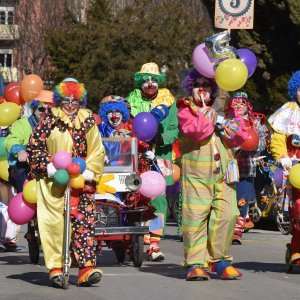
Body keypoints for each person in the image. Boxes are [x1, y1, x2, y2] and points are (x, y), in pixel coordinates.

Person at [27, 80, 105, 287]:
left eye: (76, 101)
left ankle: (85, 268)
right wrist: (48, 166)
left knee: (84, 223)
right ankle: (56, 268)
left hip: (81, 180)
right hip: (55, 181)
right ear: (60, 101)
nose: (71, 105)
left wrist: (90, 170)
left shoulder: (87, 119)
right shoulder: (49, 119)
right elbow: (35, 146)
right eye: (67, 100)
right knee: (54, 224)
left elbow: (97, 148)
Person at [177, 68, 248, 280]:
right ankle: (195, 263)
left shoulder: (226, 110)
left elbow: (240, 137)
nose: (202, 88)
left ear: (213, 88)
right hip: (196, 175)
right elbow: (196, 131)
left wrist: (225, 122)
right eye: (197, 84)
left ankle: (220, 260)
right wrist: (212, 115)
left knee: (228, 215)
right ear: (191, 88)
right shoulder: (185, 108)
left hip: (224, 174)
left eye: (206, 84)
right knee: (195, 218)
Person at [126, 62, 179, 261]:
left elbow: (174, 128)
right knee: (132, 197)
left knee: (157, 199)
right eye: (146, 80)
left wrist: (161, 138)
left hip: (160, 156)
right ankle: (134, 238)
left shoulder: (169, 101)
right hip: (136, 155)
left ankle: (154, 242)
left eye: (154, 80)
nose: (150, 83)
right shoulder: (130, 100)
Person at [268, 70, 300, 267]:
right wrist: (282, 157)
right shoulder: (288, 111)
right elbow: (278, 138)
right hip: (296, 170)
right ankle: (296, 250)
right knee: (298, 210)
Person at [230, 92, 266, 244]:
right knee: (227, 201)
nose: (238, 106)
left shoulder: (254, 124)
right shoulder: (227, 121)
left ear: (248, 106)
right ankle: (224, 230)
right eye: (235, 103)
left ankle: (237, 231)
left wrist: (255, 144)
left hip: (246, 169)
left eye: (242, 103)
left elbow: (263, 142)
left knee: (242, 201)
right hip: (228, 168)